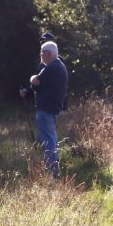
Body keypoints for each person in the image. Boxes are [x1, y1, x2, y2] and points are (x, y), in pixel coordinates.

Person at [19, 33, 68, 177]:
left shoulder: (53, 67)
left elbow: (36, 81)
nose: (40, 55)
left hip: (46, 108)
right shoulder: (56, 66)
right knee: (49, 139)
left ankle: (52, 172)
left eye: (42, 52)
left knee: (48, 140)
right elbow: (36, 86)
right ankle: (53, 170)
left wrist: (34, 79)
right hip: (50, 108)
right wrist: (36, 83)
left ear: (49, 54)